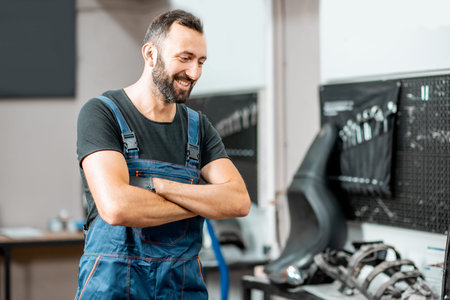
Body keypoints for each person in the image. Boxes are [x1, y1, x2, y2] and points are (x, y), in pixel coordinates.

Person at [74, 9, 251, 299]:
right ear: (150, 54)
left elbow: (238, 201)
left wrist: (161, 187)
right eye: (185, 58)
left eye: (200, 61)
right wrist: (204, 201)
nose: (194, 73)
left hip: (181, 287)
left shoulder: (199, 128)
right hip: (113, 286)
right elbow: (117, 207)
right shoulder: (101, 114)